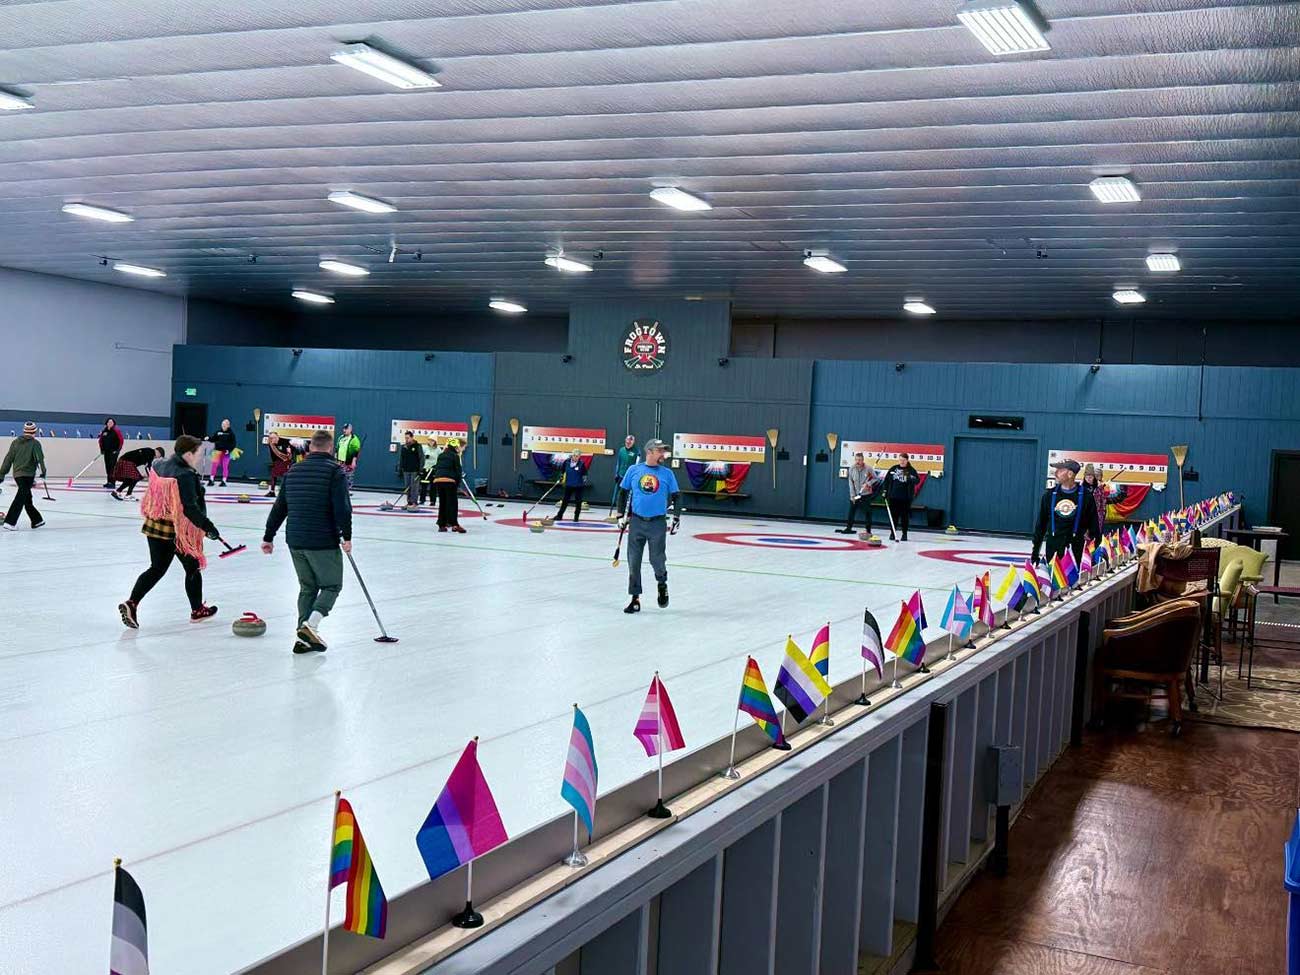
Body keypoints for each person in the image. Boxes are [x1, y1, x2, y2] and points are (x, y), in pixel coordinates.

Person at [261, 429, 352, 653]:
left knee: (308, 588)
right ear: (330, 448)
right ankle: (311, 626)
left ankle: (302, 639)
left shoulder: (293, 471)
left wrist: (268, 537)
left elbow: (279, 507)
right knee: (332, 585)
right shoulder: (335, 472)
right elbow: (342, 508)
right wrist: (347, 536)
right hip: (322, 539)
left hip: (295, 539)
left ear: (310, 447)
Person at [118, 435, 220, 627]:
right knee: (192, 567)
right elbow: (189, 508)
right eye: (198, 453)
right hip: (177, 531)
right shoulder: (185, 475)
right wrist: (208, 527)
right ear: (188, 453)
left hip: (154, 525)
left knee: (157, 568)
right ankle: (197, 610)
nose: (199, 458)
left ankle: (132, 603)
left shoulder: (159, 464)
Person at [615, 438, 681, 613]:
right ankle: (635, 598)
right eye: (660, 451)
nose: (663, 454)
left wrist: (676, 517)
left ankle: (662, 583)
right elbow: (623, 492)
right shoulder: (634, 470)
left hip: (657, 523)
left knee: (656, 559)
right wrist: (620, 514)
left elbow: (677, 496)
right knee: (633, 561)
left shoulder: (667, 474)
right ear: (650, 452)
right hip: (636, 522)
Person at [1032, 458, 1100, 565]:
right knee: (1055, 580)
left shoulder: (1086, 496)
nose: (1056, 473)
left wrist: (1095, 556)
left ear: (1070, 474)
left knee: (1073, 580)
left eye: (1059, 470)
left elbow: (1094, 527)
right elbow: (1041, 525)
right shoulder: (1049, 496)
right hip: (1053, 550)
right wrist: (1035, 553)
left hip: (1076, 550)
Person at [0, 421, 47, 531]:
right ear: (34, 431)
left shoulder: (15, 442)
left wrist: (2, 473)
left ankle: (37, 520)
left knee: (26, 498)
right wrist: (43, 472)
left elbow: (8, 459)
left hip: (17, 475)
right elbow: (40, 459)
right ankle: (10, 522)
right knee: (21, 497)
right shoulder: (35, 443)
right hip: (28, 475)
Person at [837, 452, 878, 534]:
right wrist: (852, 495)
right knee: (851, 511)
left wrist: (868, 484)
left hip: (866, 495)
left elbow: (875, 479)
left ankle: (868, 530)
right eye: (856, 460)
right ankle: (848, 528)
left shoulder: (868, 468)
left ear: (863, 460)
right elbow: (850, 482)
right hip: (856, 495)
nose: (858, 461)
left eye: (859, 460)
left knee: (868, 512)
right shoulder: (851, 468)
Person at [883, 452, 921, 541]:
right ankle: (893, 533)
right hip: (893, 497)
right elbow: (886, 480)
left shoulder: (911, 470)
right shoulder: (893, 468)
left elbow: (917, 481)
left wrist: (910, 478)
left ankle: (904, 534)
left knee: (904, 517)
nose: (902, 462)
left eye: (903, 460)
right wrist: (885, 491)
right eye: (900, 460)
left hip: (906, 498)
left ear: (907, 460)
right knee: (893, 516)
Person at [432, 438, 465, 533]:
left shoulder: (441, 455)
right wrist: (457, 485)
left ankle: (442, 525)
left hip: (438, 480)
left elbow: (438, 467)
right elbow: (458, 472)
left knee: (443, 503)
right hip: (449, 481)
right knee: (452, 503)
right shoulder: (455, 456)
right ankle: (454, 524)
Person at [555, 449, 588, 522]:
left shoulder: (581, 464)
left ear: (579, 457)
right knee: (565, 501)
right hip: (569, 484)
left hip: (578, 486)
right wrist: (561, 477)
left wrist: (584, 480)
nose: (576, 458)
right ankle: (559, 515)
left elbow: (585, 473)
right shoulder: (566, 462)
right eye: (574, 456)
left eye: (577, 456)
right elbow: (562, 470)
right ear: (572, 455)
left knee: (578, 501)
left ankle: (576, 517)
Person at [396, 430, 425, 510]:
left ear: (412, 437)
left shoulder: (417, 446)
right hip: (406, 470)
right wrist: (400, 470)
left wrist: (421, 470)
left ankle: (414, 503)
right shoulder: (404, 447)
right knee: (407, 487)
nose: (406, 439)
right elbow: (401, 459)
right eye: (405, 438)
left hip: (415, 470)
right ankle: (409, 502)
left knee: (414, 487)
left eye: (408, 438)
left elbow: (421, 458)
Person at [205, 418, 237, 487]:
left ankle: (224, 481)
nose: (223, 426)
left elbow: (233, 444)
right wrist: (208, 438)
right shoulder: (218, 432)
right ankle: (211, 479)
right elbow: (213, 439)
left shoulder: (231, 434)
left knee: (225, 466)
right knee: (214, 465)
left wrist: (229, 450)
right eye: (222, 424)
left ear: (228, 425)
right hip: (217, 451)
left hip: (226, 452)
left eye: (225, 424)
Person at [611, 435, 638, 512]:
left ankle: (629, 511)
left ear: (633, 442)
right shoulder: (621, 450)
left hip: (630, 476)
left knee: (629, 494)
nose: (628, 443)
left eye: (630, 442)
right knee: (620, 494)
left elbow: (637, 464)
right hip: (621, 474)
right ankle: (619, 510)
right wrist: (616, 474)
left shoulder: (636, 451)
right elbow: (618, 462)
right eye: (627, 441)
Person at [1081, 463, 1108, 539]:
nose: (1089, 478)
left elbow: (1103, 502)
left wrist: (1102, 513)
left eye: (1091, 476)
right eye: (1087, 476)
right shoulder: (1080, 488)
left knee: (1096, 538)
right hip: (1084, 517)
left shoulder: (1099, 488)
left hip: (1097, 517)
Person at [266, 431, 294, 498]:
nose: (273, 439)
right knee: (273, 475)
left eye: (274, 437)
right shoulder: (271, 444)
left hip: (285, 461)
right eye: (271, 438)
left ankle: (284, 492)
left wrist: (288, 455)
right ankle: (272, 492)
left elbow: (288, 455)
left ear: (278, 437)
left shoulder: (285, 442)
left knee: (284, 476)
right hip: (277, 462)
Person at [335, 423, 362, 493]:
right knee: (339, 476)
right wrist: (335, 458)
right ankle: (340, 489)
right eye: (344, 428)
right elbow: (337, 448)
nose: (344, 430)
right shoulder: (340, 437)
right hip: (340, 461)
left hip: (348, 461)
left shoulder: (354, 439)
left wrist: (354, 461)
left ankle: (347, 490)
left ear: (350, 429)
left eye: (346, 429)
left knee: (348, 476)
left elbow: (356, 451)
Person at [99, 417, 124, 488]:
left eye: (111, 422)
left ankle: (113, 483)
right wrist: (102, 449)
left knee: (112, 467)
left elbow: (121, 441)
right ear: (106, 423)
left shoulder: (116, 431)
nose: (110, 423)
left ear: (114, 423)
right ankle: (109, 482)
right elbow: (100, 441)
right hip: (106, 452)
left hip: (114, 452)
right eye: (108, 422)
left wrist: (118, 450)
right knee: (108, 467)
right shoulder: (104, 431)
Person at [418, 438, 439, 506]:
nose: (430, 442)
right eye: (429, 440)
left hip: (433, 470)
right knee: (424, 485)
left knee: (433, 486)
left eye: (432, 441)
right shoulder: (425, 448)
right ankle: (422, 500)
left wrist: (436, 466)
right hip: (425, 469)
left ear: (435, 442)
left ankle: (432, 501)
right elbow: (421, 457)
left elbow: (440, 459)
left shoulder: (438, 449)